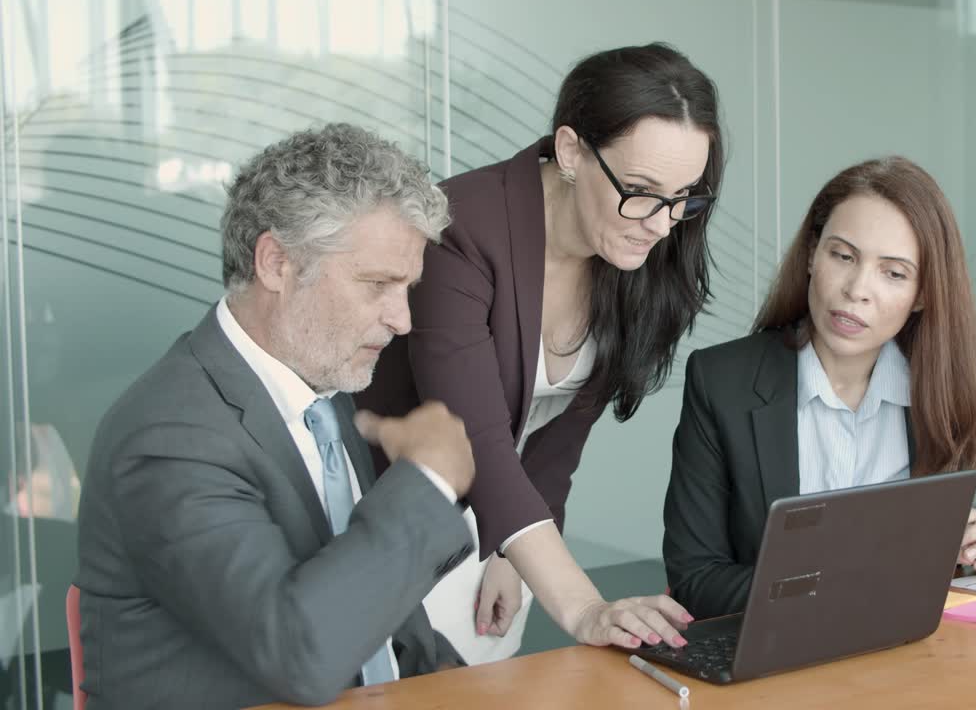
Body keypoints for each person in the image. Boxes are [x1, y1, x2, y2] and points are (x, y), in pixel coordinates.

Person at [75, 124, 477, 709]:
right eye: (378, 285)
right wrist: (428, 480)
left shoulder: (322, 385)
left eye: (407, 287)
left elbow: (382, 619)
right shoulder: (170, 436)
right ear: (276, 264)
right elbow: (301, 652)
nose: (402, 319)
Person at [356, 43, 722, 661]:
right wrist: (581, 605)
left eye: (684, 195)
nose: (663, 225)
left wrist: (513, 553)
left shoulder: (631, 251)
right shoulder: (461, 228)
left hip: (504, 526)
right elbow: (475, 438)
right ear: (574, 150)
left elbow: (558, 433)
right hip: (383, 524)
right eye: (641, 190)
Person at [662, 156, 976, 619]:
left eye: (894, 273)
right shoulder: (723, 381)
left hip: (922, 649)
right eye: (842, 256)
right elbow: (697, 579)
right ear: (811, 255)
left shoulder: (962, 377)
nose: (857, 289)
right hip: (784, 655)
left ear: (923, 294)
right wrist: (855, 583)